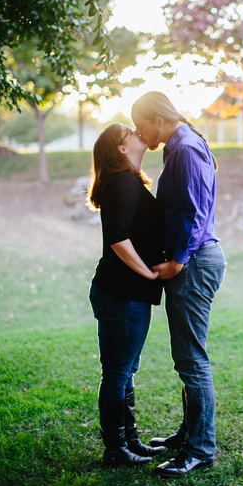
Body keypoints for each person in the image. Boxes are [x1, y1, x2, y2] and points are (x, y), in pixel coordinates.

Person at [131, 91, 226, 478]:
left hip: (195, 262)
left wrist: (178, 260)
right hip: (194, 259)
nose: (139, 134)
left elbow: (195, 210)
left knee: (191, 360)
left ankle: (200, 449)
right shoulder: (180, 145)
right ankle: (188, 434)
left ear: (158, 119)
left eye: (140, 125)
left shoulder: (185, 147)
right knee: (187, 356)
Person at [86, 123, 168, 467]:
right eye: (130, 132)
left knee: (125, 370)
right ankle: (116, 448)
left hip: (129, 293)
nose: (138, 133)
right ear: (122, 148)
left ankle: (130, 441)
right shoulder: (121, 183)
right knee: (118, 372)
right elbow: (118, 240)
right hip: (121, 293)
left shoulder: (127, 181)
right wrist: (148, 271)